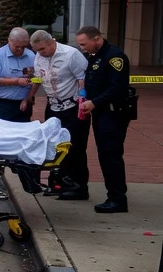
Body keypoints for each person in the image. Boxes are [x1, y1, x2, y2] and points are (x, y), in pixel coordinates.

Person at [26, 30, 90, 199]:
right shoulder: (39, 57)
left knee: (74, 147)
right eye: (37, 50)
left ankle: (79, 187)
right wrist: (30, 96)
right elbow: (39, 78)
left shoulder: (71, 55)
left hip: (73, 106)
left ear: (51, 42)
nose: (40, 53)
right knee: (55, 146)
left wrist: (83, 102)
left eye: (42, 49)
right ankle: (59, 182)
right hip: (53, 106)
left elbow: (82, 78)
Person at [76, 25, 133, 213]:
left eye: (84, 44)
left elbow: (118, 89)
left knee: (111, 154)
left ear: (96, 39)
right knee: (104, 154)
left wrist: (95, 102)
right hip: (101, 112)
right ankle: (113, 194)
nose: (82, 48)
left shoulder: (114, 58)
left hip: (113, 114)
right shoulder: (95, 56)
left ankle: (117, 199)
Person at [0, 28, 41, 195]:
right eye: (17, 47)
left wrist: (28, 97)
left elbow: (37, 80)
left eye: (23, 46)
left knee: (24, 140)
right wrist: (16, 82)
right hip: (0, 104)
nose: (20, 50)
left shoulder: (32, 57)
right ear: (9, 41)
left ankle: (30, 180)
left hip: (22, 104)